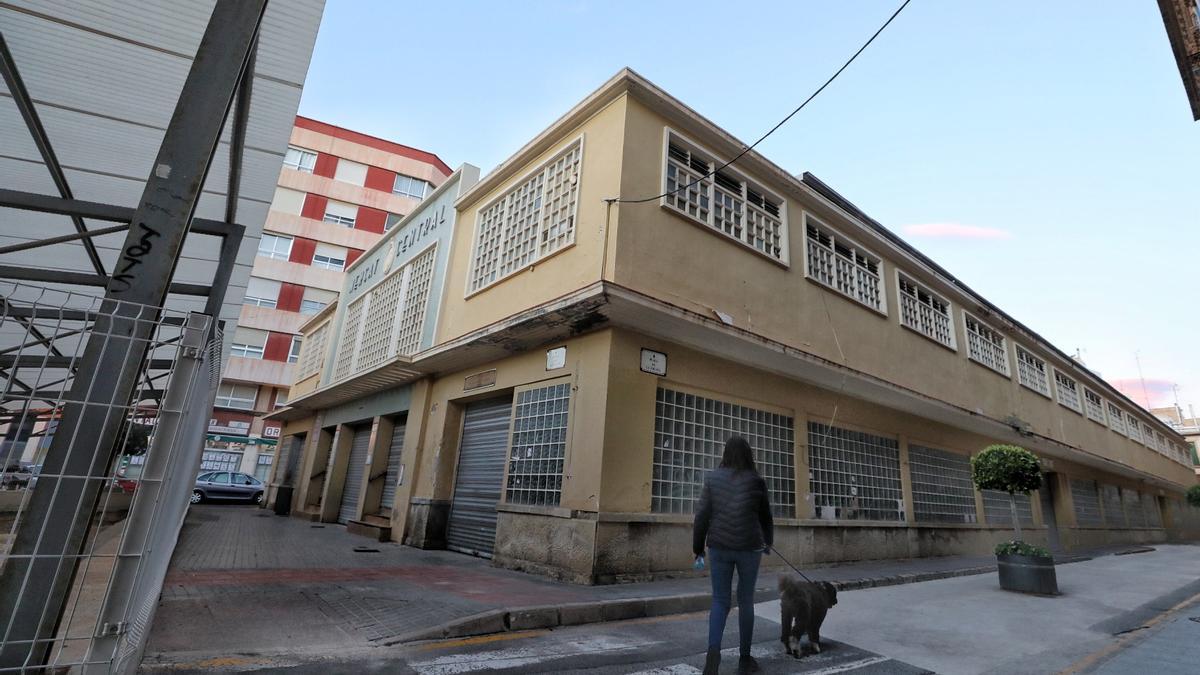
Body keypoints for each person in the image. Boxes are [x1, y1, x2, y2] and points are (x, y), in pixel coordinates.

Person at [693, 435, 774, 675]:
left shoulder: (712, 479)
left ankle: (713, 657)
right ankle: (745, 659)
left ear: (725, 454)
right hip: (749, 547)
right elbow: (765, 517)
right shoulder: (757, 481)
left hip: (718, 546)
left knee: (720, 600)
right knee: (746, 599)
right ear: (748, 454)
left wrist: (698, 548)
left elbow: (702, 516)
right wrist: (768, 542)